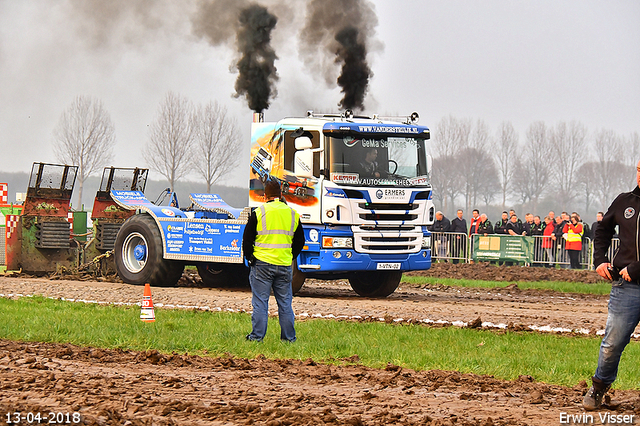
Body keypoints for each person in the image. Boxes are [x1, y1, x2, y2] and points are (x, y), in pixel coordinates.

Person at [583, 159, 640, 411]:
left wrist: (636, 268)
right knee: (613, 342)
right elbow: (602, 230)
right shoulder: (624, 201)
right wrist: (600, 260)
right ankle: (598, 387)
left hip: (633, 274)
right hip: (626, 288)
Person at [243, 179, 305, 342]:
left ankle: (257, 337)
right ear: (280, 195)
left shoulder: (259, 212)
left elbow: (247, 240)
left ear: (265, 196)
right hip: (284, 265)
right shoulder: (292, 214)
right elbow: (300, 241)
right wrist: (290, 256)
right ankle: (289, 339)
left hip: (262, 265)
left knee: (261, 303)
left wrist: (250, 258)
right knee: (285, 304)